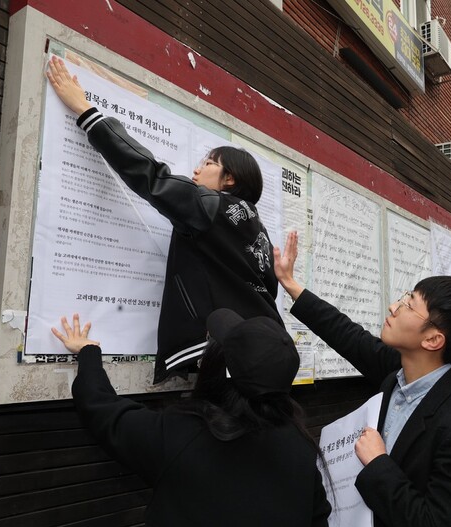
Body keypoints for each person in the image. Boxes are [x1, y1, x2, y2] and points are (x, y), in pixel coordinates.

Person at [47, 56, 281, 383]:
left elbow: (152, 176)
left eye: (209, 163)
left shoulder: (211, 205)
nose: (197, 169)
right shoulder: (259, 230)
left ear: (229, 179)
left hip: (226, 358)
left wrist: (87, 112)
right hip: (266, 350)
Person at [274, 231, 451, 527]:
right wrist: (291, 284)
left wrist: (378, 464)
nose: (393, 307)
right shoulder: (397, 374)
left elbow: (440, 526)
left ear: (432, 339)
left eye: (409, 305)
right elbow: (347, 335)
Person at [52, 310, 330, 527]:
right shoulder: (301, 447)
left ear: (218, 369)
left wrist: (88, 352)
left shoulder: (186, 434)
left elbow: (104, 411)